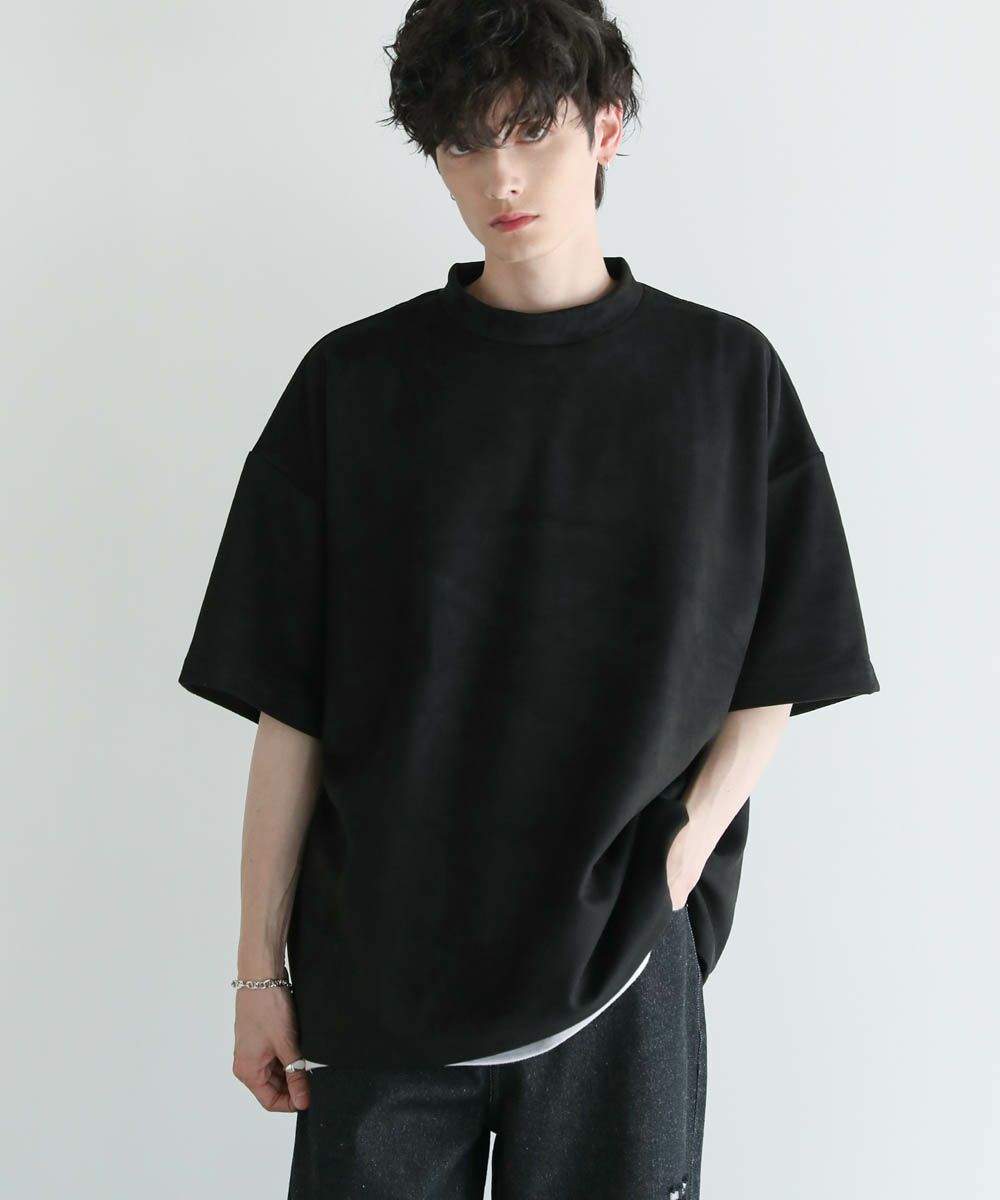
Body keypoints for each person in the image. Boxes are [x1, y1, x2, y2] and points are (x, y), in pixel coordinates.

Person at [178, 1, 880, 1196]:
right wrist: (257, 971)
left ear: (606, 126)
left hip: (621, 965)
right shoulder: (354, 384)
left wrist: (678, 855)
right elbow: (289, 703)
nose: (499, 176)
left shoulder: (723, 380)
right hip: (380, 963)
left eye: (532, 130)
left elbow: (784, 659)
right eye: (463, 142)